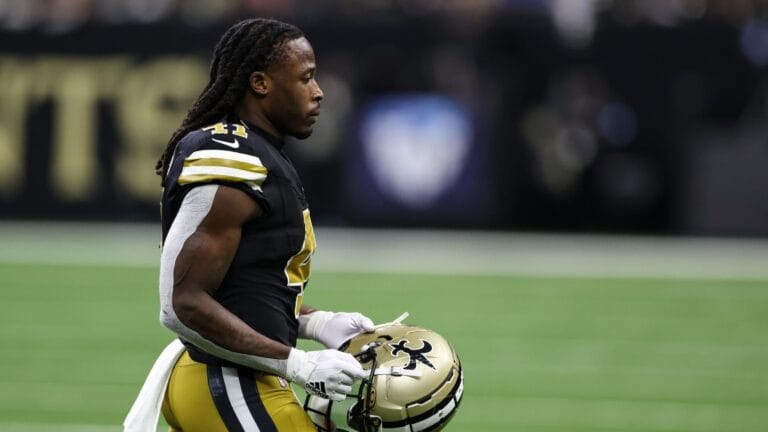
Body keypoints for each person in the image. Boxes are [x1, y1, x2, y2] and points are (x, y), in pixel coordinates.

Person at [153, 18, 374, 431]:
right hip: (226, 380)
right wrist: (298, 362)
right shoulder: (231, 159)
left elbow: (246, 288)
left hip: (234, 376)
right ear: (260, 83)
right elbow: (180, 304)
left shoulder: (260, 153)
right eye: (306, 78)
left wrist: (314, 321)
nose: (318, 91)